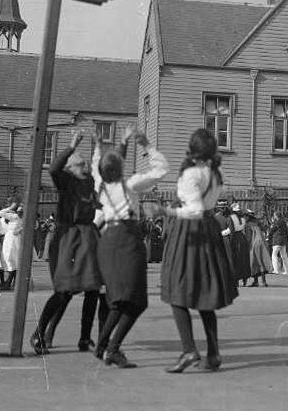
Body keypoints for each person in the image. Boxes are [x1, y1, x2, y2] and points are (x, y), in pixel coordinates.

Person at [146, 128, 238, 373]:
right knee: (205, 296)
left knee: (176, 291)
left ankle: (189, 350)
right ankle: (213, 354)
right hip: (209, 231)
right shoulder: (216, 172)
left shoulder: (191, 174)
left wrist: (166, 211)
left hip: (189, 233)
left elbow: (194, 210)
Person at [91, 127, 168, 367]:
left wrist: (99, 148)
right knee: (137, 301)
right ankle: (111, 347)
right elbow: (161, 169)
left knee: (119, 300)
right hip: (127, 240)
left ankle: (103, 345)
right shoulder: (131, 185)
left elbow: (99, 165)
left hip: (107, 241)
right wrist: (147, 145)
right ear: (121, 168)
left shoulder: (99, 185)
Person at [30, 132, 105, 356]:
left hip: (88, 237)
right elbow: (54, 168)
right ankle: (39, 333)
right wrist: (71, 146)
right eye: (79, 164)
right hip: (68, 239)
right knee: (64, 290)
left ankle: (85, 338)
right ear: (70, 168)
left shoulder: (89, 181)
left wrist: (98, 147)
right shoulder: (65, 181)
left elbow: (99, 169)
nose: (84, 166)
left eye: (84, 163)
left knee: (93, 289)